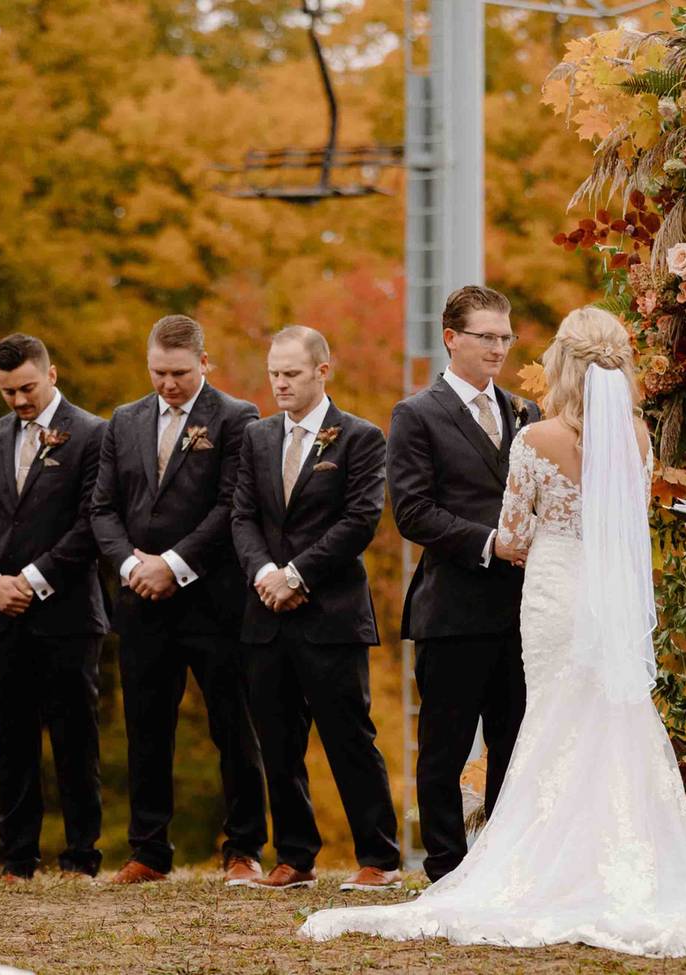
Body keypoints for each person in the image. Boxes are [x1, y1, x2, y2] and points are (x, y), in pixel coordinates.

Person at [297, 307, 686, 956]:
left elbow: (516, 534)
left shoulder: (534, 438)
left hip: (552, 589)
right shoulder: (637, 436)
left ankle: (546, 864)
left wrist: (536, 532)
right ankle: (619, 862)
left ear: (564, 364)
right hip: (605, 593)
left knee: (552, 716)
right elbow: (627, 524)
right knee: (610, 717)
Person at [90, 314, 268, 886]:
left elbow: (232, 504)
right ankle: (148, 850)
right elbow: (102, 508)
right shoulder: (124, 421)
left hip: (213, 601)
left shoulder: (236, 418)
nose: (168, 384)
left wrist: (174, 564)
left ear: (204, 364)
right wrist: (130, 565)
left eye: (180, 373)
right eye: (159, 373)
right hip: (140, 601)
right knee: (146, 727)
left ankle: (243, 847)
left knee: (233, 726)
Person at [230, 325, 400, 891]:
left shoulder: (359, 437)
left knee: (349, 738)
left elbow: (359, 521)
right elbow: (243, 518)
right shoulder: (255, 438)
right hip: (266, 613)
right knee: (277, 741)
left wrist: (297, 575)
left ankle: (379, 858)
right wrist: (264, 576)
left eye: (292, 373)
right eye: (274, 373)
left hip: (330, 614)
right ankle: (295, 857)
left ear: (322, 371)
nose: (279, 383)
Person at [385, 285, 537, 883]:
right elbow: (413, 512)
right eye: (487, 337)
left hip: (522, 610)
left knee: (514, 743)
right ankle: (445, 866)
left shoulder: (527, 413)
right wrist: (490, 542)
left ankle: (500, 864)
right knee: (444, 748)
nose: (499, 348)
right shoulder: (416, 414)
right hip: (451, 609)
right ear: (452, 338)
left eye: (506, 337)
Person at [0, 334, 108, 879]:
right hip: (0, 611)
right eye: (7, 392)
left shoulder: (92, 433)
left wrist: (35, 578)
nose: (19, 401)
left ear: (52, 373)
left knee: (74, 735)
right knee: (11, 735)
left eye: (26, 388)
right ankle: (17, 856)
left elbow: (94, 520)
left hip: (67, 611)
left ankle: (80, 856)